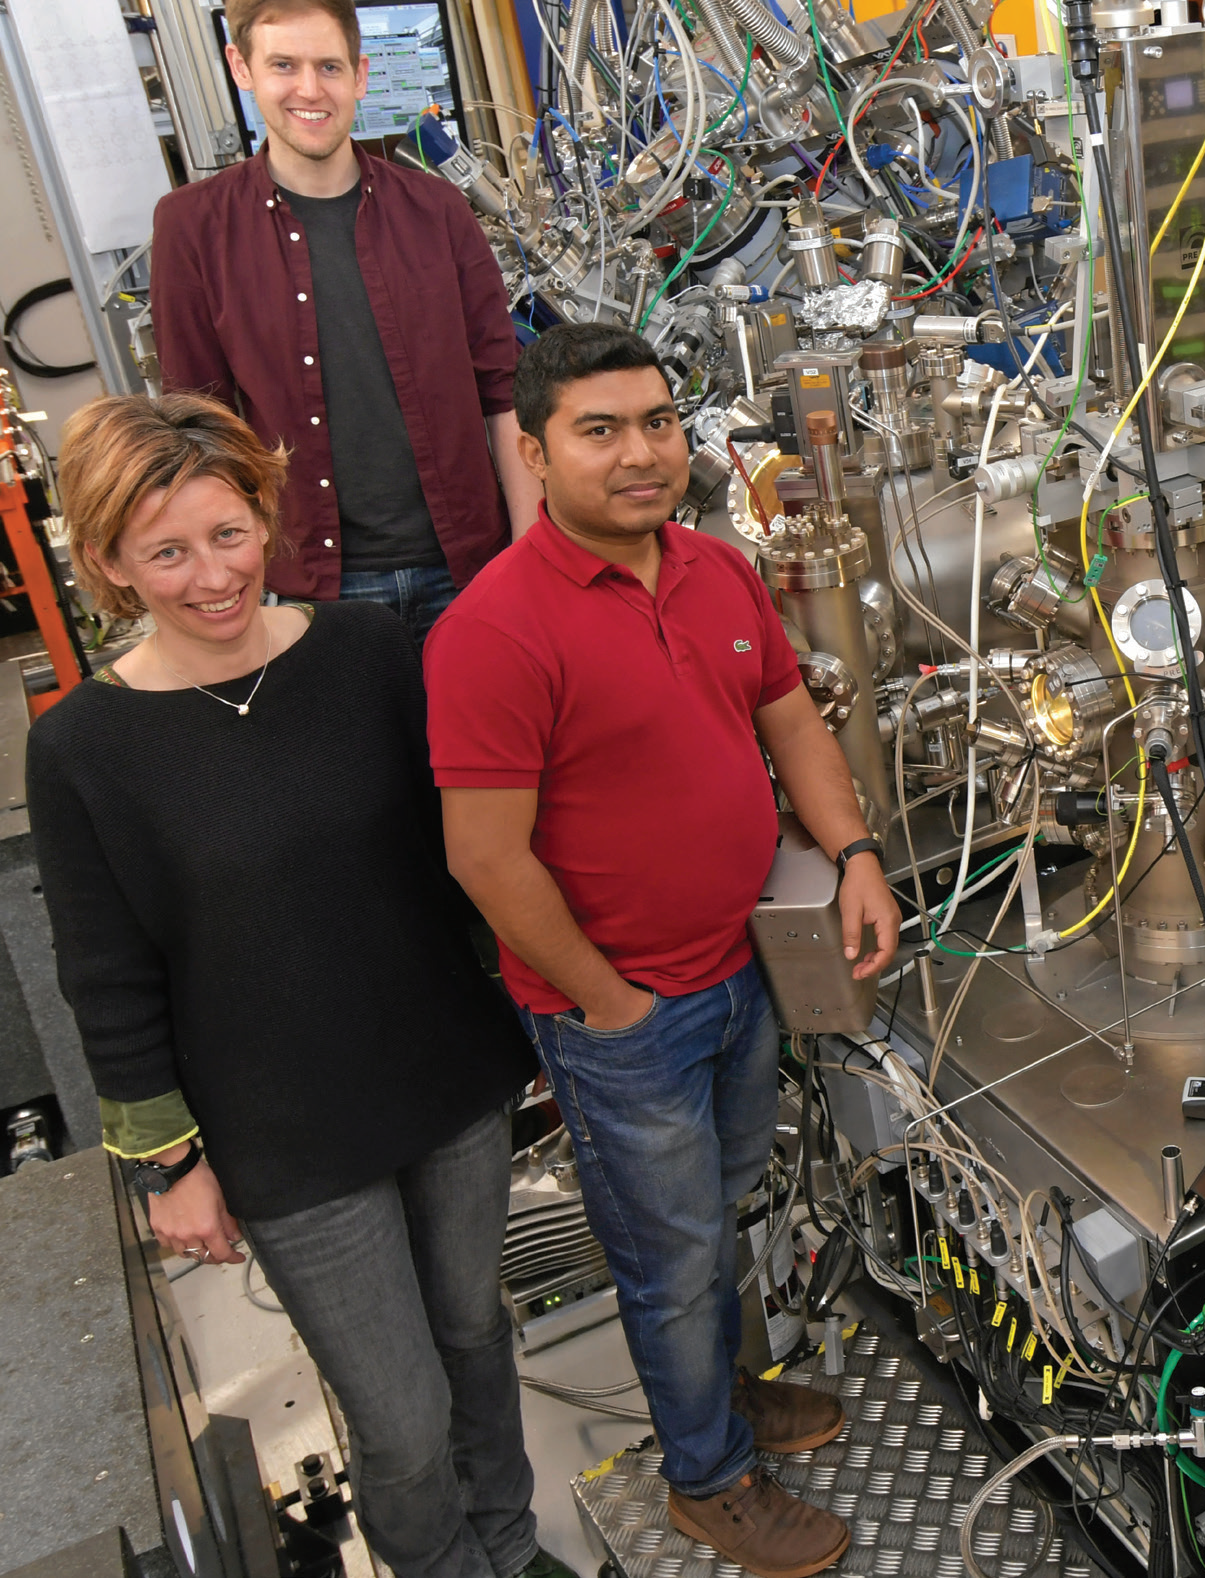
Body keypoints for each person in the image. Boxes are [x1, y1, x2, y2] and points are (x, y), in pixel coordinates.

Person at [27, 393, 568, 1578]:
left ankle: (511, 1547)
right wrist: (170, 1164)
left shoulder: (371, 654)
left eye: (229, 535)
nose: (211, 576)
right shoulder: (82, 749)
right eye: (165, 552)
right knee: (400, 1416)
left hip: (446, 1075)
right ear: (110, 561)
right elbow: (105, 975)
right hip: (282, 1134)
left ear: (265, 516)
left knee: (477, 1337)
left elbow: (471, 850)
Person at [425, 324, 900, 1578]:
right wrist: (606, 1004)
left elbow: (789, 715)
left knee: (722, 1203)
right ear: (533, 453)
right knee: (670, 1254)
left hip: (740, 968)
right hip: (624, 1013)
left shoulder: (712, 567)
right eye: (600, 431)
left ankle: (723, 1400)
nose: (641, 455)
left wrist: (852, 852)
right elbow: (485, 857)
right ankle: (708, 1479)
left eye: (657, 423)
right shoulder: (493, 630)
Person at [151, 0, 542, 642]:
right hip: (310, 592)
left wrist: (530, 561)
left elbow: (504, 394)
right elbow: (198, 426)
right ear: (241, 68)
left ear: (360, 75)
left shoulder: (438, 210)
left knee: (483, 746)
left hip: (470, 571)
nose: (310, 90)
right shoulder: (193, 226)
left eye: (328, 66)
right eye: (283, 65)